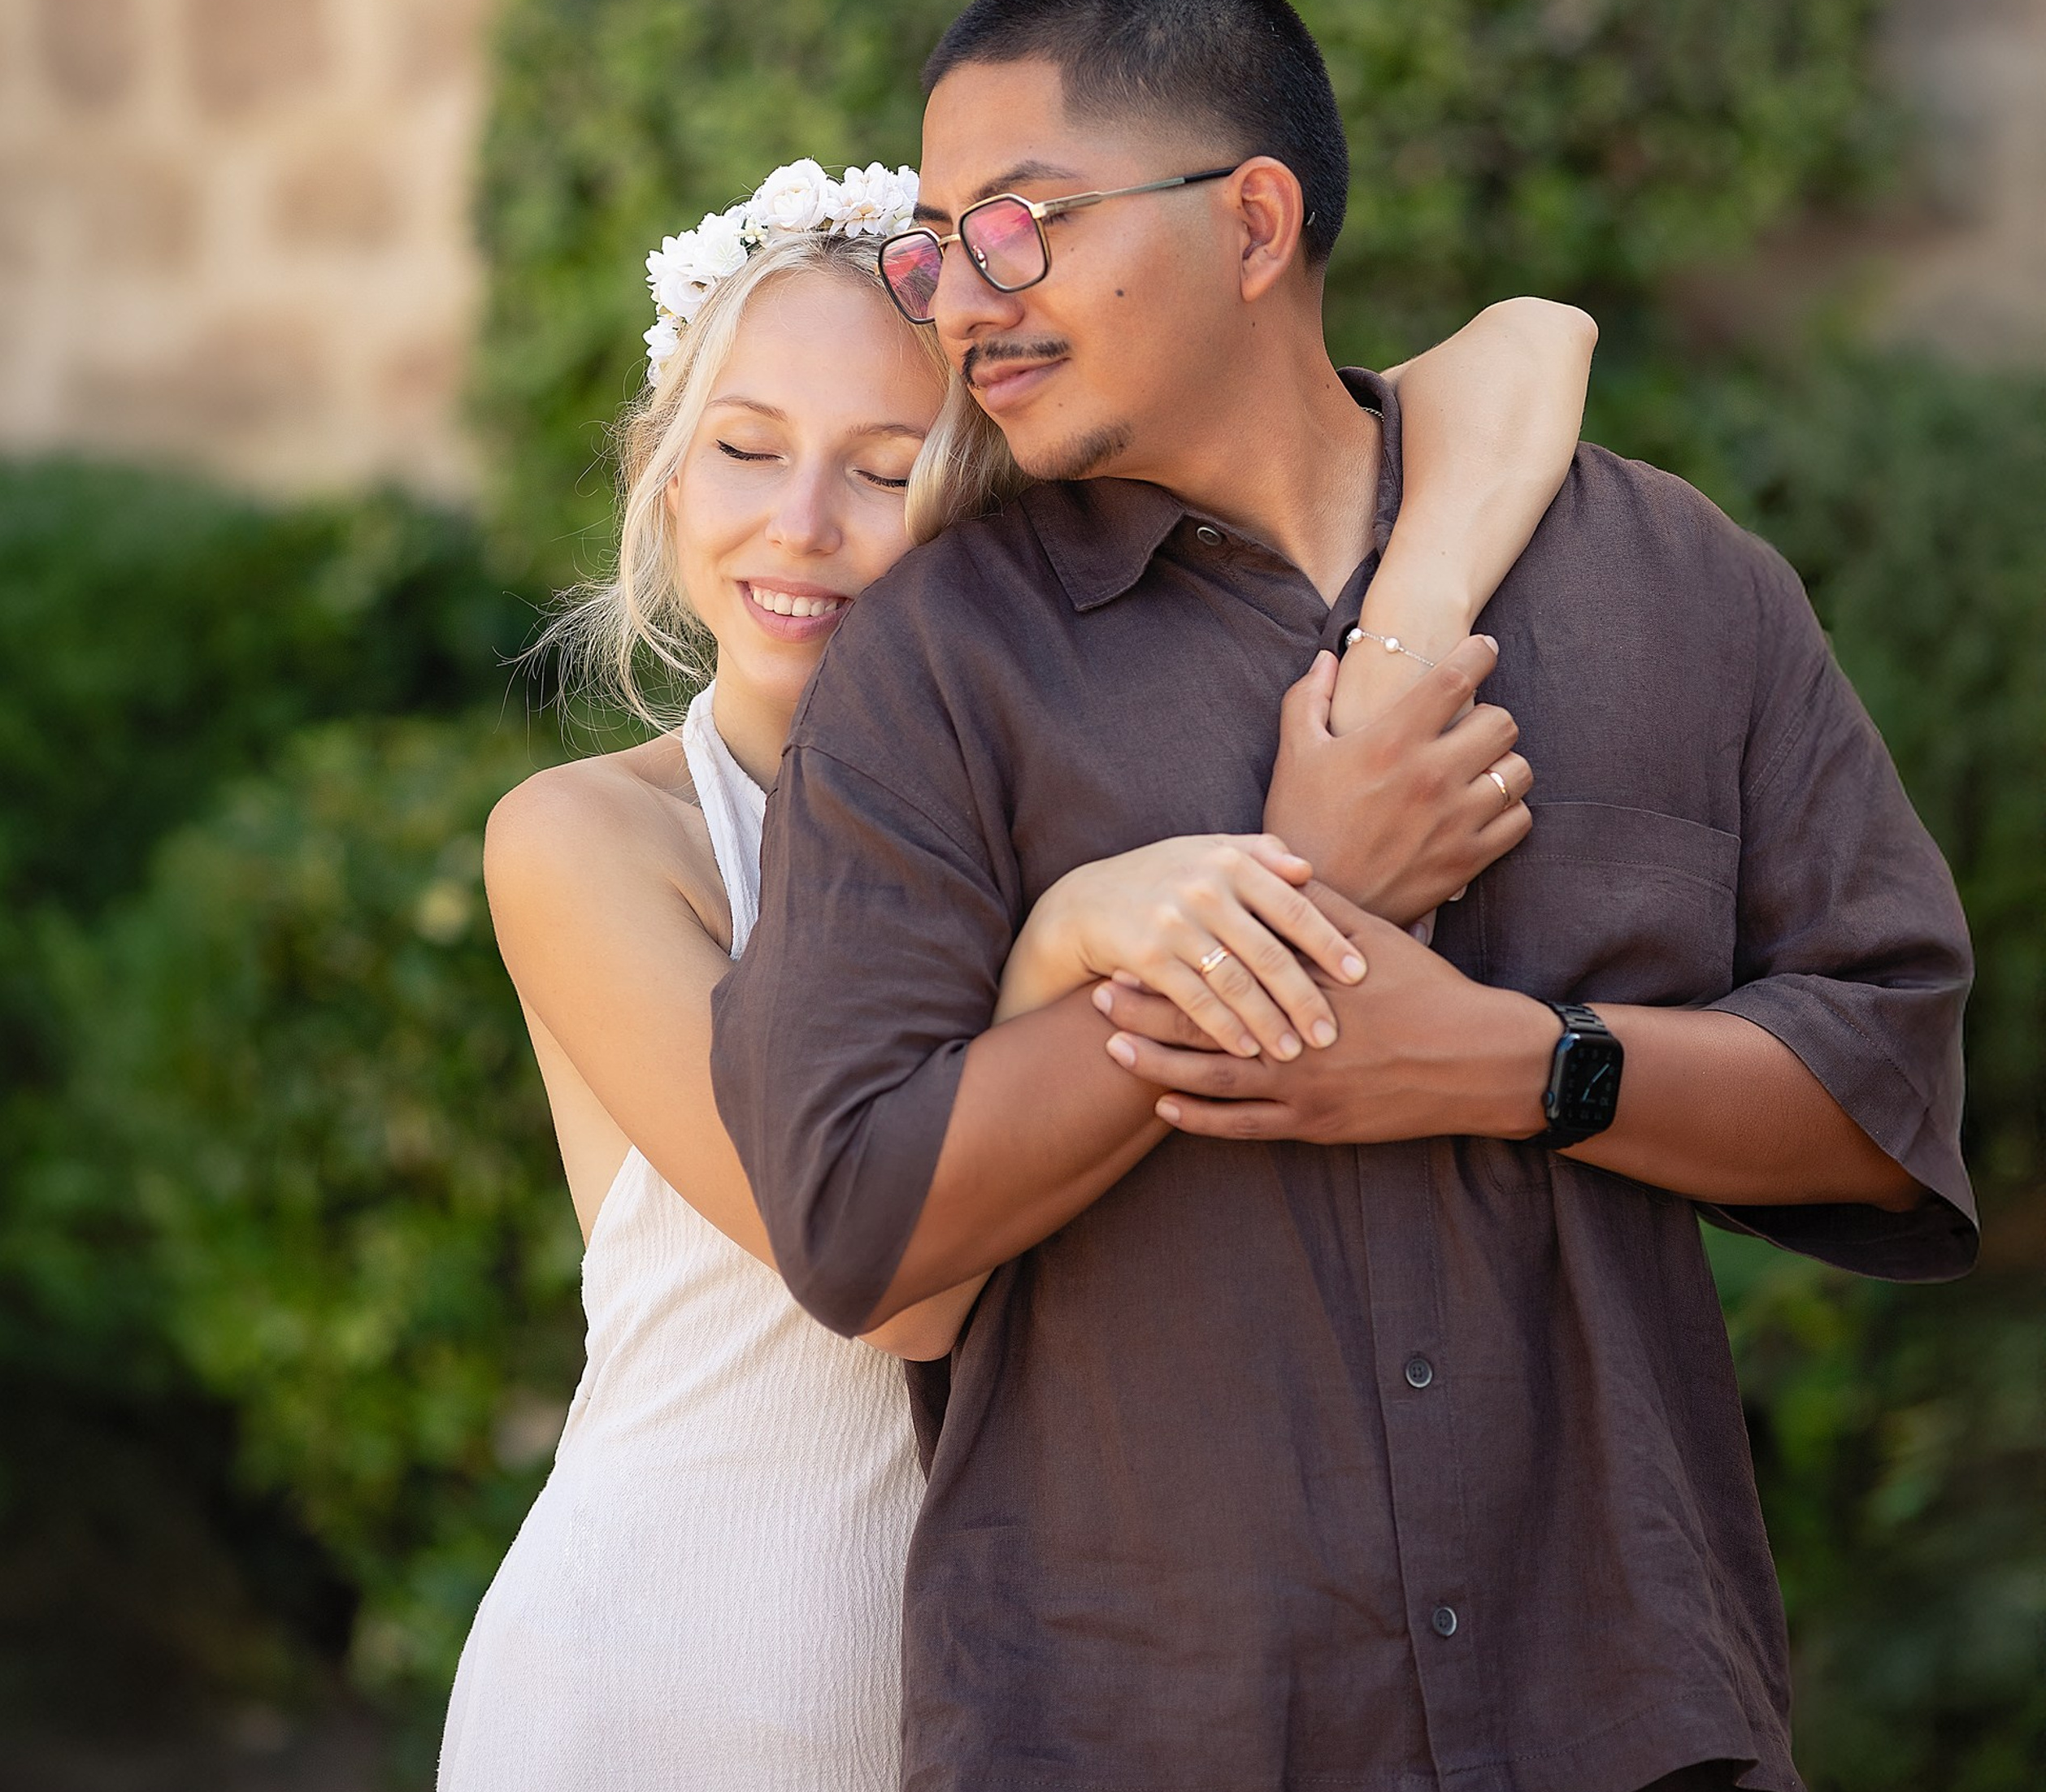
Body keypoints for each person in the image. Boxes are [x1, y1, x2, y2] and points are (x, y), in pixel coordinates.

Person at [711, 0, 1977, 1792]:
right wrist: (1299, 902)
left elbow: (1887, 1088)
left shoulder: (1674, 584)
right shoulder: (938, 659)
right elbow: (854, 1217)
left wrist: (1506, 1061)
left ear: (1251, 218)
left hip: (1624, 1712)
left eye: (1021, 226)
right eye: (935, 247)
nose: (961, 301)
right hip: (1139, 1723)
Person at [435, 158, 1595, 1790]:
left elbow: (1526, 348)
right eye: (745, 451)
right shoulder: (591, 842)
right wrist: (1085, 936)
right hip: (684, 1670)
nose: (800, 526)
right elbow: (891, 1276)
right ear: (663, 479)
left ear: (988, 502)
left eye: (885, 468)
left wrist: (1390, 648)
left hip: (1032, 1686)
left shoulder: (1056, 786)